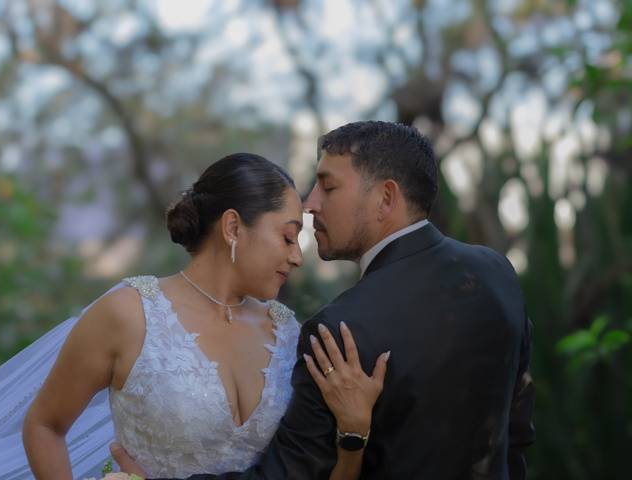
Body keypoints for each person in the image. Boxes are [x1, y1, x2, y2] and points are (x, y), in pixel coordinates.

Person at [0, 153, 386, 480]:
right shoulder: (129, 313)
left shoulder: (288, 331)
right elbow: (44, 425)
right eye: (286, 236)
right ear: (233, 227)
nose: (297, 256)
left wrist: (354, 425)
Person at [113, 121, 536, 479]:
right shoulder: (497, 272)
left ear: (386, 198)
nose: (311, 203)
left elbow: (290, 475)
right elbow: (517, 429)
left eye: (328, 187)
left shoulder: (341, 330)